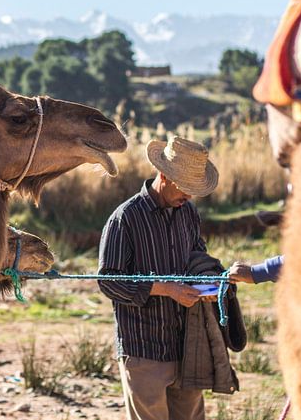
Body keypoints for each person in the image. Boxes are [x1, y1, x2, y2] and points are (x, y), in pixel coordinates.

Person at [98, 136, 219, 420]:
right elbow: (108, 281)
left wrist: (210, 284)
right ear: (164, 176)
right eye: (185, 188)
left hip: (186, 345)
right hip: (143, 348)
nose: (189, 195)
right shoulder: (125, 218)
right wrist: (165, 289)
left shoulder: (187, 212)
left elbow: (197, 258)